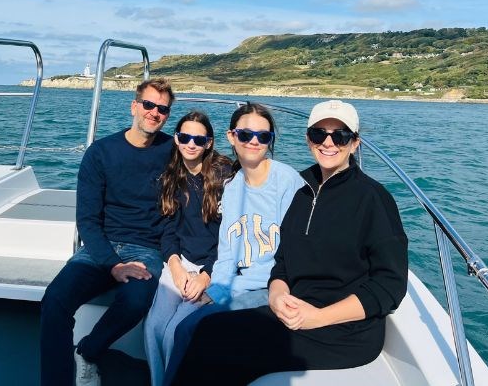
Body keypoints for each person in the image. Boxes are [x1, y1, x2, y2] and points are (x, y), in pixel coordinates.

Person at [172, 100, 409, 385]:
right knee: (208, 333)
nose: (329, 143)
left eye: (341, 135)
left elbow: (390, 285)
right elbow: (283, 261)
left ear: (355, 143)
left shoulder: (373, 198)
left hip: (343, 332)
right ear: (309, 139)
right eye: (320, 134)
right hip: (294, 310)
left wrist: (318, 317)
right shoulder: (304, 190)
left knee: (219, 346)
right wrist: (276, 295)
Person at [40, 78, 175, 386]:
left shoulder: (172, 151)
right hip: (99, 246)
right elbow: (87, 220)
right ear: (134, 106)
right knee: (55, 301)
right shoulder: (101, 152)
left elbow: (209, 165)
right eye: (149, 104)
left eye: (163, 109)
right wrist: (112, 264)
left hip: (146, 248)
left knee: (136, 299)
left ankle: (88, 350)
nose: (155, 113)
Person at [163, 102, 304, 385]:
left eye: (263, 136)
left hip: (273, 285)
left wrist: (227, 289)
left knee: (201, 329)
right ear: (231, 137)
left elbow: (294, 255)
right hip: (235, 282)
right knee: (183, 328)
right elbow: (227, 252)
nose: (253, 141)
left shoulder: (287, 182)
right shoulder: (232, 186)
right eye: (245, 135)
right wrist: (216, 288)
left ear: (271, 141)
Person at [144, 111, 232, 386]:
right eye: (185, 137)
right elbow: (167, 228)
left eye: (198, 139)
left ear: (209, 143)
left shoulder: (225, 176)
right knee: (153, 327)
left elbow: (230, 239)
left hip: (213, 266)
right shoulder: (171, 174)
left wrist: (206, 275)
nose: (191, 144)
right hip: (180, 262)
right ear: (176, 139)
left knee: (175, 330)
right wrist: (174, 265)